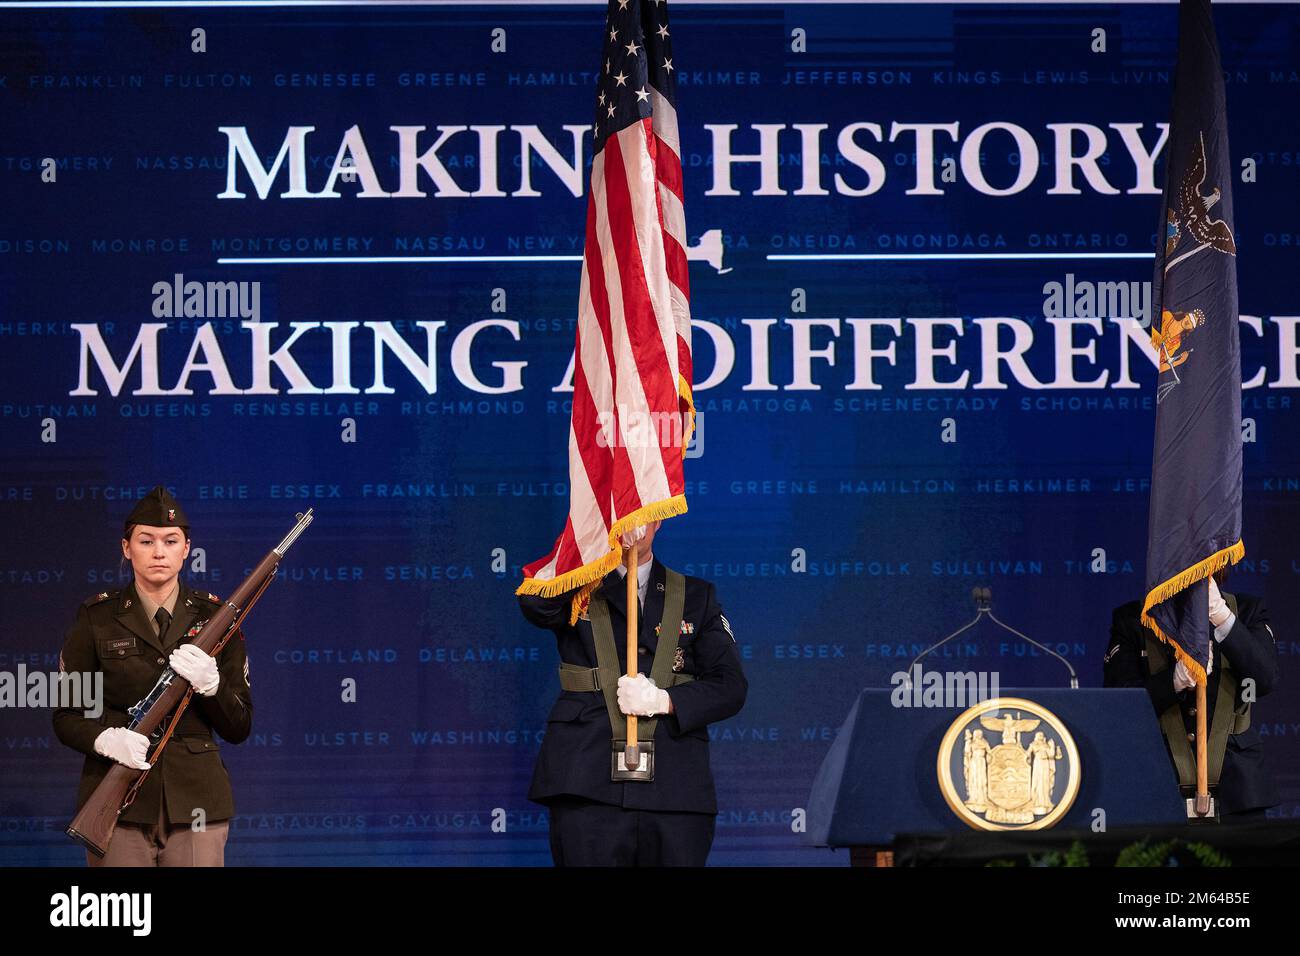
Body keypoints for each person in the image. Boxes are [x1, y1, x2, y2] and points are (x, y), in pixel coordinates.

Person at [519, 520, 747, 865]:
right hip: (588, 783)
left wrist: (665, 701)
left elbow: (730, 686)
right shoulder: (577, 586)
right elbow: (535, 605)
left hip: (674, 789)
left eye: (642, 512)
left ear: (658, 516)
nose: (634, 523)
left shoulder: (696, 596)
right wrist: (594, 548)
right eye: (623, 512)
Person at [53, 486, 253, 866]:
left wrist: (213, 687)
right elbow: (66, 717)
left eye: (170, 540)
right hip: (119, 802)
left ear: (186, 548)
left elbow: (239, 726)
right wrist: (106, 740)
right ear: (127, 548)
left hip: (197, 804)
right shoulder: (96, 617)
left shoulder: (216, 618)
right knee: (125, 915)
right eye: (146, 541)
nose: (159, 552)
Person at [1104, 570, 1280, 820]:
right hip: (1157, 786)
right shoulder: (1133, 619)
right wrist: (1173, 681)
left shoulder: (1246, 610)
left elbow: (1264, 679)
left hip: (1238, 794)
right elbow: (1118, 706)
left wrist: (1223, 618)